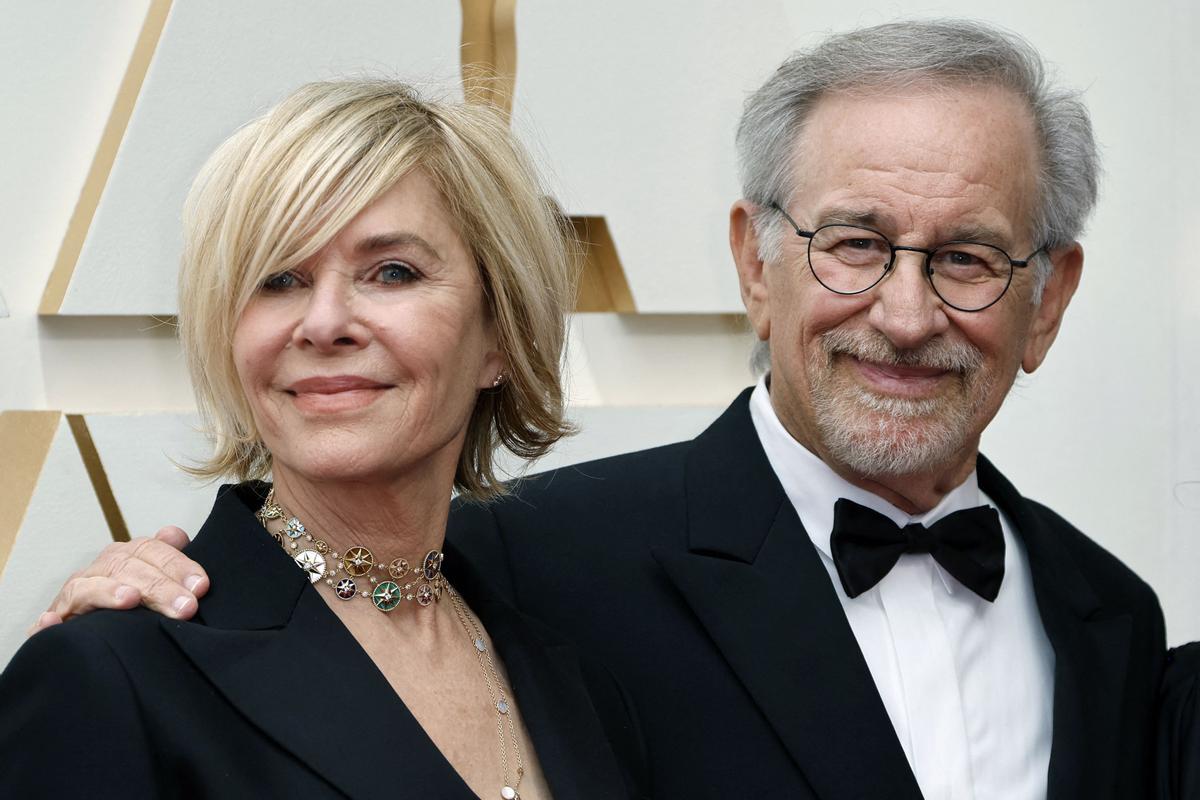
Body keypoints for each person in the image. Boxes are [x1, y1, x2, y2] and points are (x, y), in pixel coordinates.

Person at [30, 20, 1166, 799]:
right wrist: (100, 631)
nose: (907, 313)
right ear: (753, 266)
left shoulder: (1114, 623)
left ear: (1048, 300)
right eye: (855, 245)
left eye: (967, 257)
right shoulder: (541, 558)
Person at [0, 79, 647, 799]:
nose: (324, 321)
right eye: (278, 279)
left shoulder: (571, 672)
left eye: (391, 271)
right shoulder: (112, 672)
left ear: (499, 335)